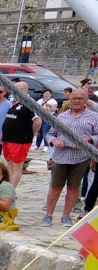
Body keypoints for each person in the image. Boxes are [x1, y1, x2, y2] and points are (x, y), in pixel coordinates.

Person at [41, 86, 98, 227]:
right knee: (55, 186)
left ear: (86, 100)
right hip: (61, 156)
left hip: (80, 157)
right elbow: (50, 134)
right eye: (74, 98)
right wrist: (54, 141)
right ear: (70, 100)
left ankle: (66, 216)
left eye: (80, 98)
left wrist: (88, 139)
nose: (77, 101)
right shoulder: (62, 116)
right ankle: (48, 215)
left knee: (73, 187)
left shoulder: (94, 117)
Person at [0, 82, 40, 188]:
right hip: (8, 138)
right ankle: (8, 187)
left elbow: (37, 121)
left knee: (17, 166)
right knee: (9, 164)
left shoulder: (30, 103)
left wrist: (31, 134)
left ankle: (11, 190)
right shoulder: (14, 102)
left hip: (20, 139)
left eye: (17, 89)